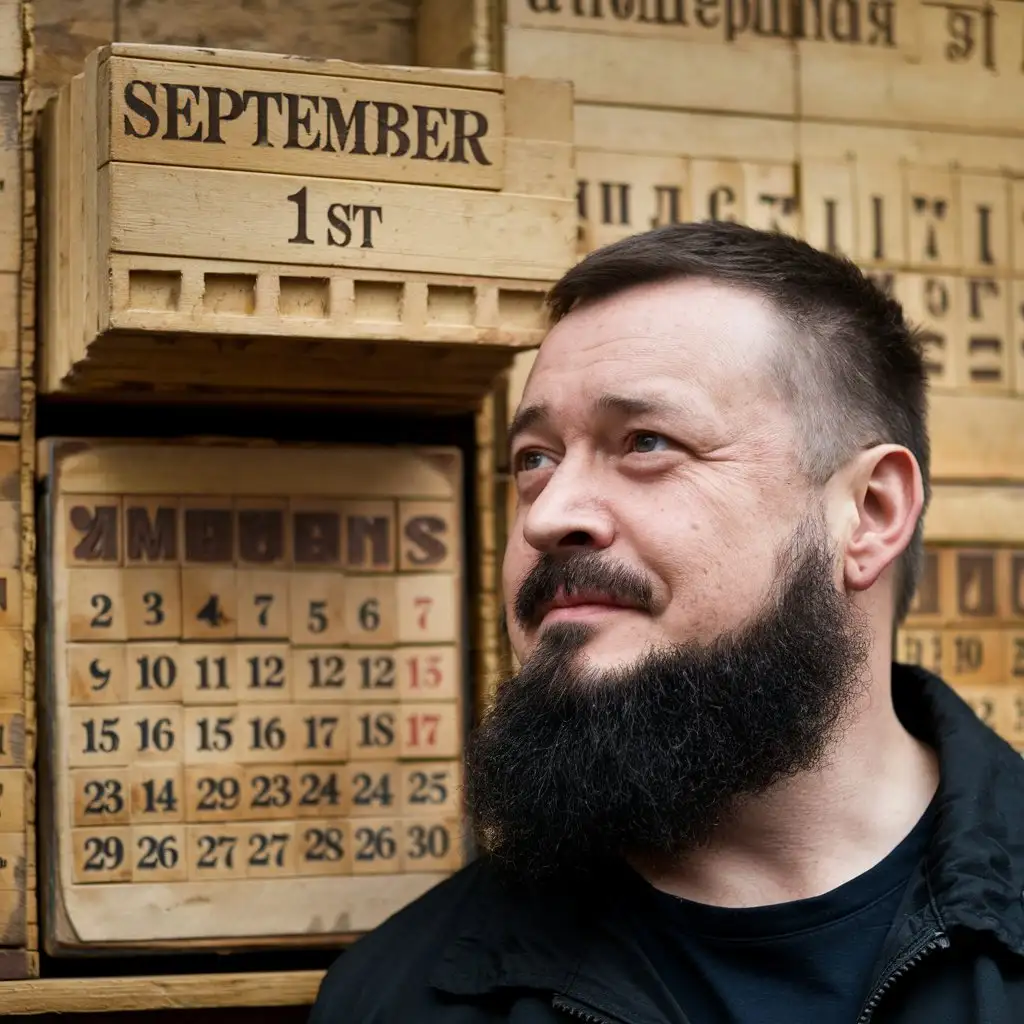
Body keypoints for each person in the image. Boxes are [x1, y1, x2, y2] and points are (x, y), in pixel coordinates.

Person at [308, 221, 1024, 1024]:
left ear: (868, 514)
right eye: (536, 459)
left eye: (647, 442)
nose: (549, 515)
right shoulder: (399, 1001)